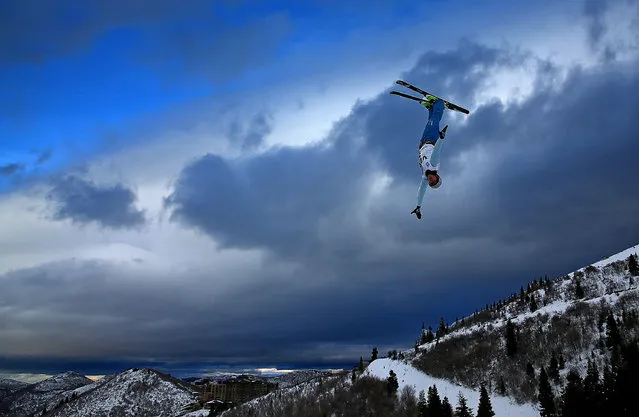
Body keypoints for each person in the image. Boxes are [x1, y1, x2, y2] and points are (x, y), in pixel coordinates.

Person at [411, 95, 448, 220]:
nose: (431, 180)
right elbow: (437, 151)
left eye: (431, 183)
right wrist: (441, 138)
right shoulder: (434, 165)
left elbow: (421, 192)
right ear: (437, 176)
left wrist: (418, 206)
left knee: (431, 121)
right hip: (432, 139)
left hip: (422, 143)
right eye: (434, 180)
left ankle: (430, 108)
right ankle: (439, 104)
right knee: (435, 120)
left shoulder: (424, 178)